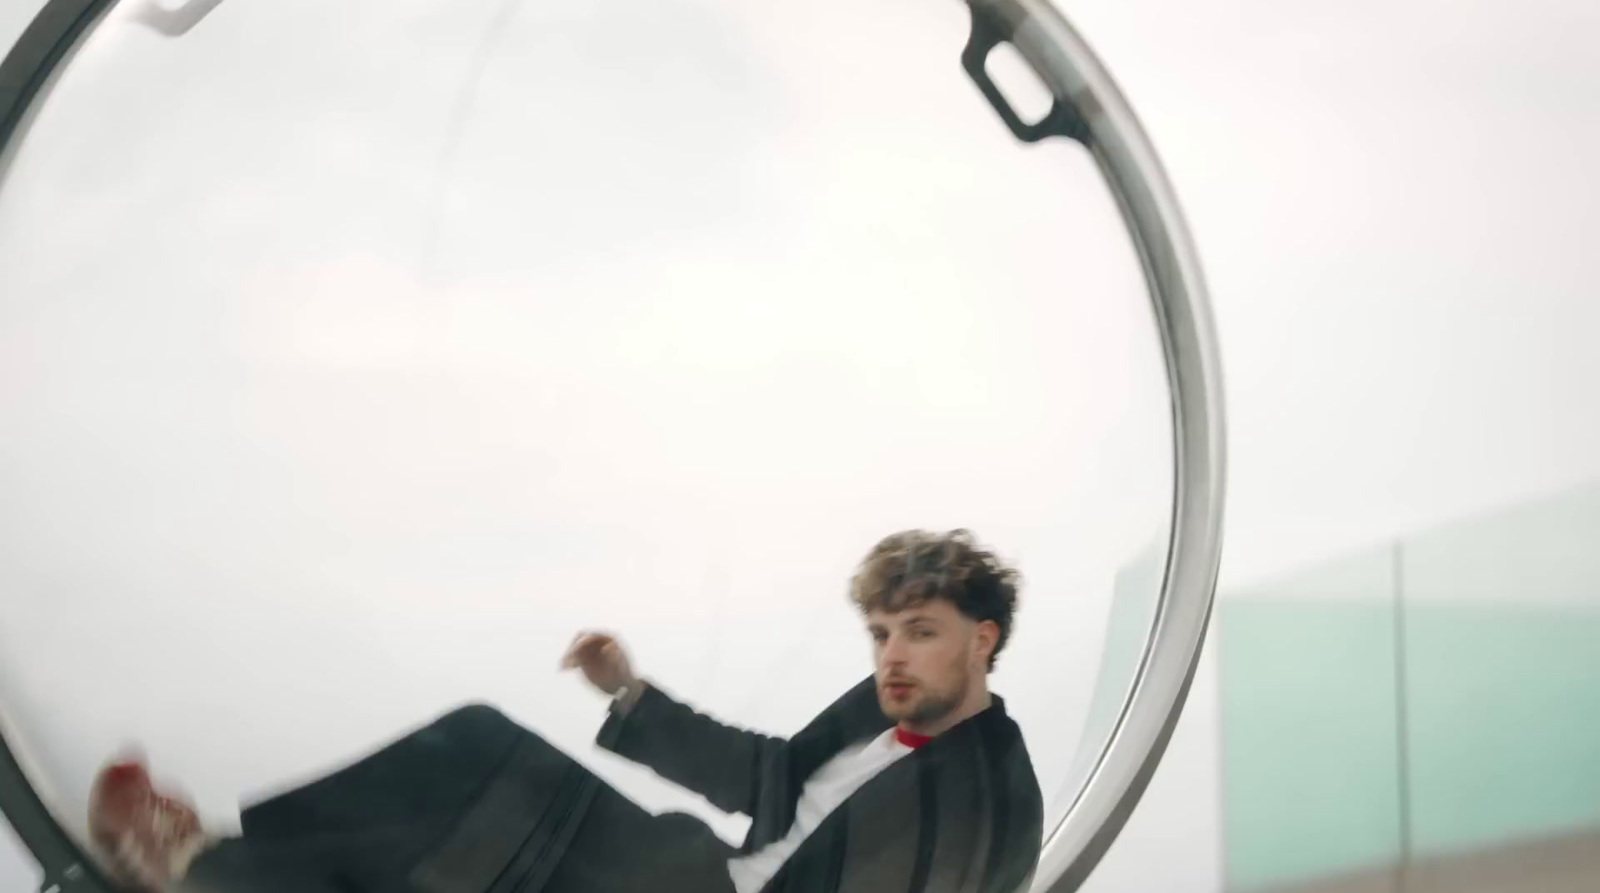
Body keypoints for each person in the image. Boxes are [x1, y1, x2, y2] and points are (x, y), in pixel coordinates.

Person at [89, 529, 1044, 893]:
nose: (891, 656)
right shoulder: (875, 715)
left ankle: (210, 875)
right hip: (683, 873)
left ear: (984, 638)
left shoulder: (997, 796)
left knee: (488, 819)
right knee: (474, 741)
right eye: (880, 632)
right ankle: (223, 869)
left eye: (917, 631)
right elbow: (766, 774)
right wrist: (628, 692)